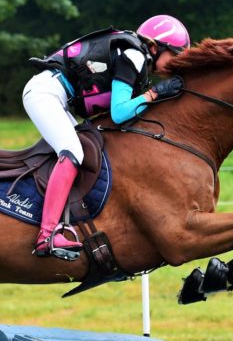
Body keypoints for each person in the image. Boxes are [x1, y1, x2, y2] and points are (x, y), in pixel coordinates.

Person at [22, 14, 189, 260]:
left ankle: (68, 221)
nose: (175, 64)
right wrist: (155, 94)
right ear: (155, 47)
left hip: (57, 96)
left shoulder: (134, 52)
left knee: (84, 150)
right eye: (174, 55)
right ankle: (46, 236)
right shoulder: (134, 55)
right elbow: (120, 113)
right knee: (73, 151)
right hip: (45, 93)